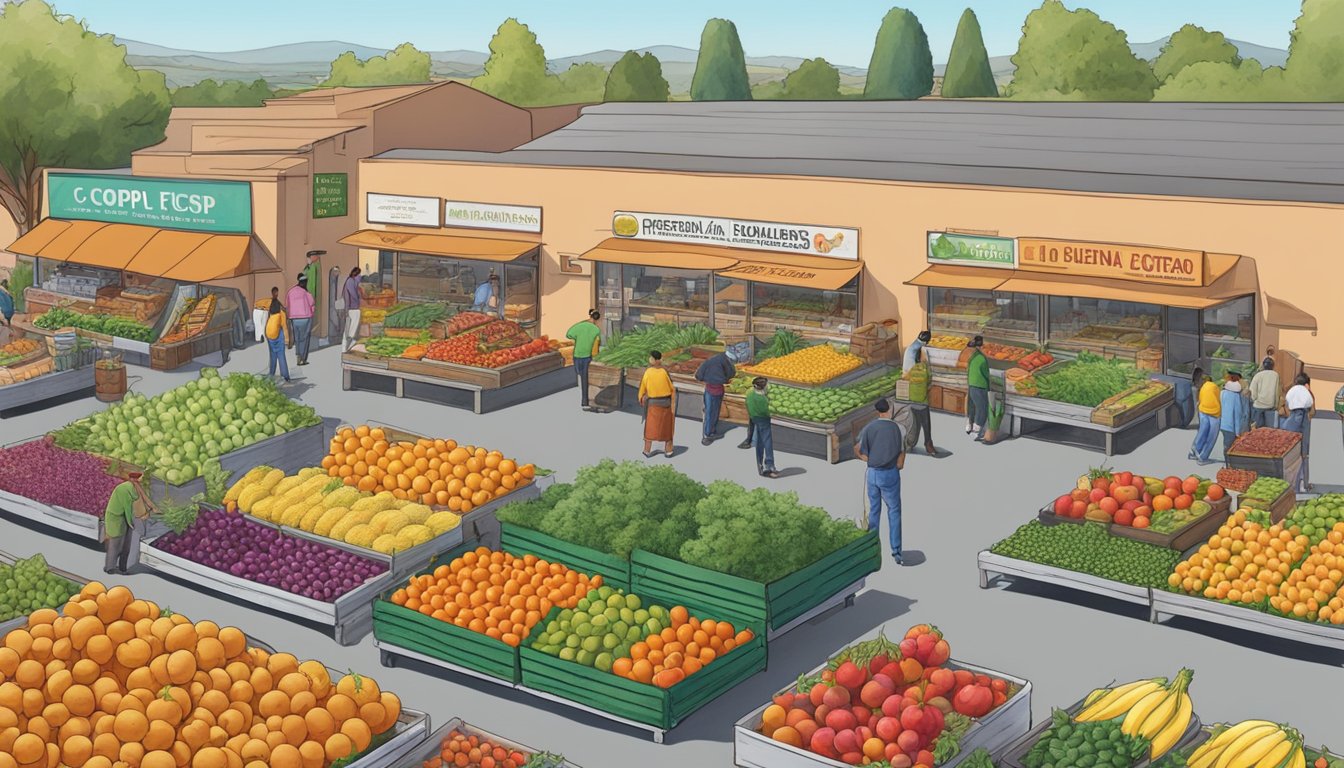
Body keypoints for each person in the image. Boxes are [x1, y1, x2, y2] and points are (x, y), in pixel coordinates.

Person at [855, 399, 906, 565]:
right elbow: (901, 455)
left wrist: (869, 460)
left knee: (874, 511)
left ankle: (872, 548)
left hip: (872, 473)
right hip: (890, 473)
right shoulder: (898, 429)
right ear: (889, 410)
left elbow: (860, 449)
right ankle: (896, 551)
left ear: (877, 411)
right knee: (894, 511)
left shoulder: (870, 428)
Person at [102, 472, 156, 575]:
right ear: (131, 480)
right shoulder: (124, 490)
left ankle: (123, 567)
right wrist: (131, 523)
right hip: (116, 517)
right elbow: (127, 508)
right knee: (115, 543)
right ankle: (110, 567)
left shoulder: (132, 489)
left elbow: (135, 502)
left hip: (124, 517)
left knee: (126, 544)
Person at [694, 347, 737, 446]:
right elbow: (731, 374)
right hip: (717, 390)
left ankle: (709, 432)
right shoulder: (725, 362)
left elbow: (699, 375)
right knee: (713, 412)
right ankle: (708, 435)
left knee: (709, 411)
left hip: (708, 389)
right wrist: (726, 380)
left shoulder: (712, 360)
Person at [638, 350, 675, 458]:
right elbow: (671, 387)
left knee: (650, 429)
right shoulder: (664, 372)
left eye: (651, 358)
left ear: (655, 360)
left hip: (653, 404)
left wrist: (641, 397)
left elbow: (642, 388)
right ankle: (668, 450)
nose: (650, 360)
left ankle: (647, 450)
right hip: (665, 404)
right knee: (666, 428)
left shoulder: (648, 372)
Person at [1283, 373, 1315, 491]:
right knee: (1304, 454)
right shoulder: (1307, 392)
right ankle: (1303, 483)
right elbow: (1311, 405)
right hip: (1303, 420)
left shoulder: (1291, 391)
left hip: (1291, 419)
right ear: (1307, 383)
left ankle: (1289, 482)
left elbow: (1286, 404)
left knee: (1290, 452)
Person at [566, 309, 603, 411]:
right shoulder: (596, 330)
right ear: (597, 319)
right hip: (587, 356)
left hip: (577, 355)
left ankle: (584, 399)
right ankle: (585, 401)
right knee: (585, 378)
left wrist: (578, 336)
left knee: (580, 374)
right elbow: (598, 341)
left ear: (589, 315)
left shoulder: (579, 326)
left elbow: (569, 334)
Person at [745, 377, 778, 478]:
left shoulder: (750, 395)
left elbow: (747, 405)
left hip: (754, 418)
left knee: (759, 441)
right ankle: (769, 466)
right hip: (763, 420)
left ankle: (760, 466)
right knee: (767, 441)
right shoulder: (763, 399)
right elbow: (767, 412)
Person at [1189, 367, 1220, 464]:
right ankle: (1203, 457)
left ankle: (1193, 452)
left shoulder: (1203, 388)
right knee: (1212, 436)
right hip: (1214, 413)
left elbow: (1200, 400)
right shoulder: (1214, 386)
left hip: (1202, 411)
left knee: (1202, 432)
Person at [286, 273, 315, 366]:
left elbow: (287, 305)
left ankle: (298, 356)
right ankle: (303, 358)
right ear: (305, 282)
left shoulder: (290, 291)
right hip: (305, 318)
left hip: (294, 319)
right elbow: (312, 303)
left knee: (297, 339)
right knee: (304, 339)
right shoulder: (306, 293)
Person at [264, 287, 291, 383]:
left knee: (272, 355)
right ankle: (285, 376)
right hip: (277, 334)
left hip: (269, 334)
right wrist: (287, 340)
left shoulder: (270, 309)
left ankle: (271, 373)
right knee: (281, 354)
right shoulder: (281, 313)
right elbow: (284, 328)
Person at [965, 335, 990, 441]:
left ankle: (969, 426)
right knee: (982, 408)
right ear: (982, 346)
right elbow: (986, 374)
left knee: (972, 406)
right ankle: (976, 431)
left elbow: (968, 370)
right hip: (980, 386)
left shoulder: (972, 357)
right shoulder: (983, 359)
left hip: (971, 384)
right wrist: (989, 385)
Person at [1219, 371, 1248, 460]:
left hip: (1223, 424)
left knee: (1226, 443)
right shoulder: (1236, 396)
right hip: (1231, 426)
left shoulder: (1223, 393)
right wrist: (1237, 431)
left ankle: (1226, 460)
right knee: (1229, 445)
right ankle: (1228, 463)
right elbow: (1237, 415)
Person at [1248, 358, 1281, 429]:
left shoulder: (1258, 375)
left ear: (1263, 365)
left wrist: (1254, 399)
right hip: (1270, 405)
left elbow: (1252, 392)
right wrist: (1276, 404)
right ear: (1273, 366)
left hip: (1258, 406)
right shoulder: (1276, 375)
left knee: (1258, 430)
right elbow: (1277, 391)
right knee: (1268, 431)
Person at [302, 250, 322, 341]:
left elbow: (312, 284)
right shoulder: (308, 267)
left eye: (309, 258)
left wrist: (311, 296)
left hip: (309, 295)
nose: (308, 259)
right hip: (306, 294)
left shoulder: (313, 267)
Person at [341, 267, 363, 351]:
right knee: (350, 329)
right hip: (352, 308)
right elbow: (353, 294)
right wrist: (358, 299)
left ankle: (347, 346)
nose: (360, 276)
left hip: (353, 308)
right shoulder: (350, 281)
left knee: (351, 328)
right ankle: (346, 347)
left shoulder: (353, 281)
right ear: (356, 274)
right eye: (359, 274)